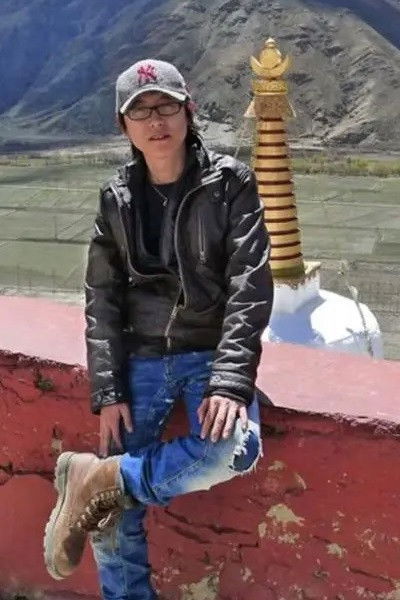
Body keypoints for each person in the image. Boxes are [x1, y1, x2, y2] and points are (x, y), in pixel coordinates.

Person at [43, 59, 274, 599]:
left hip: (209, 353)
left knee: (231, 450)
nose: (156, 120)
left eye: (166, 105)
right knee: (111, 515)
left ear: (189, 111)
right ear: (123, 126)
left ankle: (102, 480)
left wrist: (229, 382)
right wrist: (108, 389)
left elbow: (249, 284)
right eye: (140, 111)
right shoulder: (116, 197)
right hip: (142, 357)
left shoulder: (230, 184)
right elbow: (102, 297)